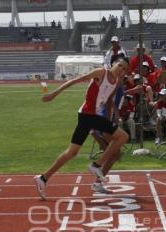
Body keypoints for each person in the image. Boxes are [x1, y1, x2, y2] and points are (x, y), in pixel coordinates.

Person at [34, 58, 130, 200]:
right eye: (120, 66)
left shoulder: (117, 82)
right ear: (113, 64)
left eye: (124, 69)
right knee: (123, 137)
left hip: (92, 117)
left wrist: (109, 121)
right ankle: (96, 165)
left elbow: (108, 101)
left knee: (72, 152)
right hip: (87, 114)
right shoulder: (100, 73)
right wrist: (54, 93)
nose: (121, 70)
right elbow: (76, 80)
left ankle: (43, 178)